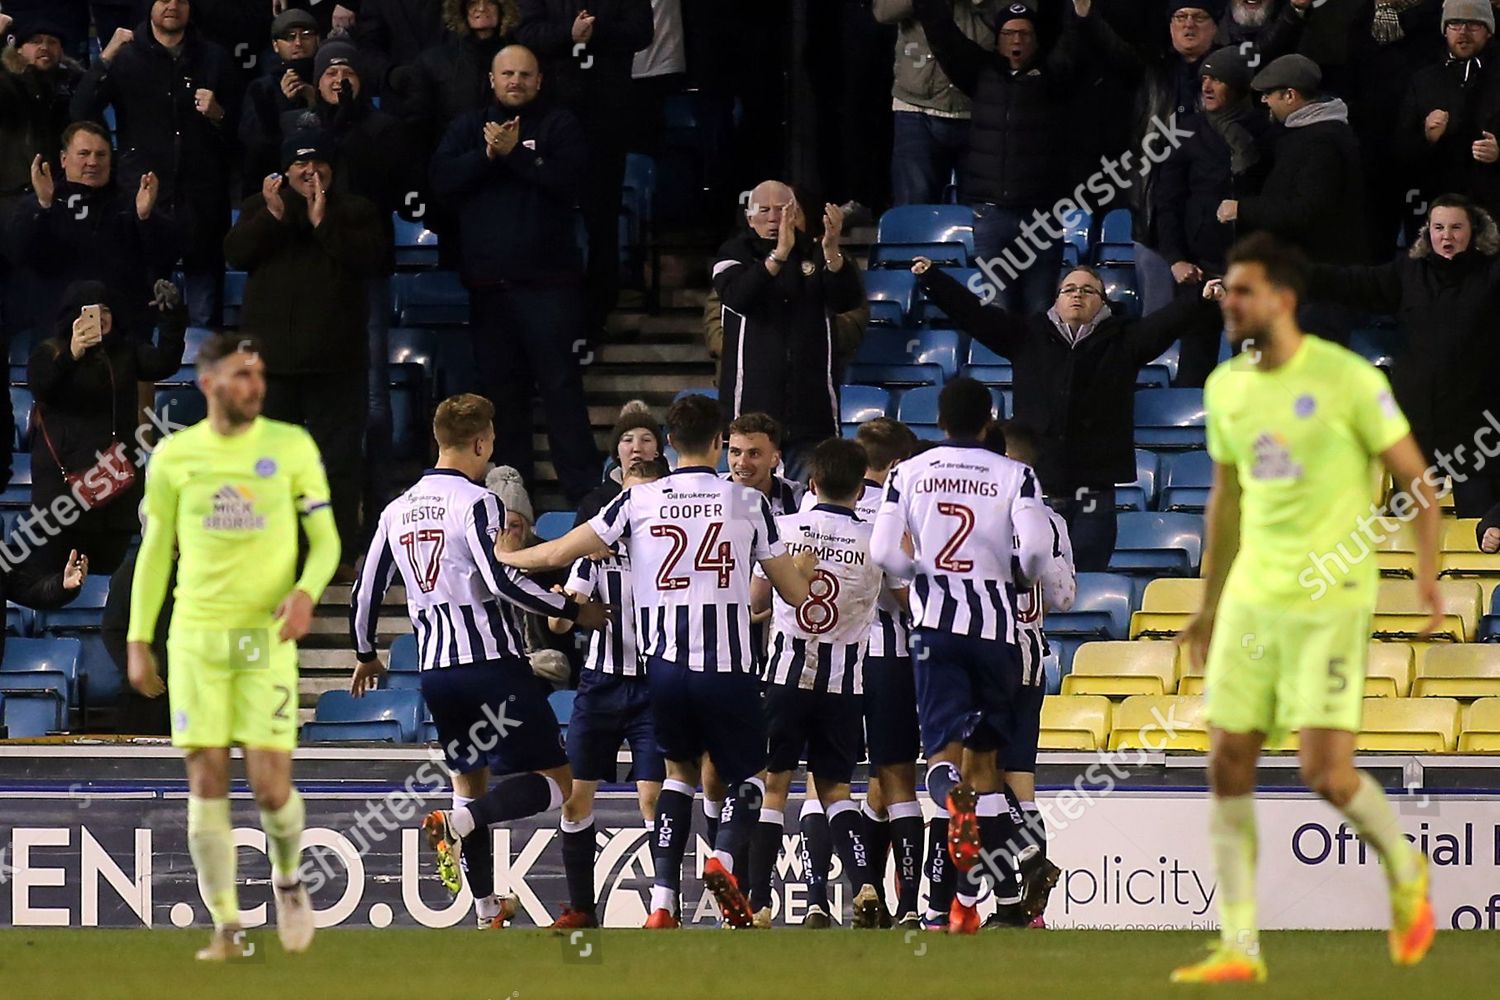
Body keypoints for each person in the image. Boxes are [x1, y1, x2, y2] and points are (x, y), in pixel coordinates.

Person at [1173, 232, 1438, 982]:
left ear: (1283, 299)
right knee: (1227, 759)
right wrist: (1208, 602)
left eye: (1244, 289)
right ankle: (1239, 946)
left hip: (1331, 597)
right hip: (1256, 594)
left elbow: (1418, 480)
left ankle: (1405, 867)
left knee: (1326, 773)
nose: (1229, 300)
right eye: (1227, 287)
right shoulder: (1228, 386)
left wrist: (1426, 574)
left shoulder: (1349, 378)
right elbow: (1226, 498)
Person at [494, 393, 817, 929]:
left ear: (669, 442)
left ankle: (664, 905)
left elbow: (557, 554)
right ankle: (722, 861)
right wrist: (803, 568)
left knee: (677, 776)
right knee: (749, 777)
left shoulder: (636, 500)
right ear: (717, 444)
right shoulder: (748, 502)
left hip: (662, 667)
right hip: (728, 664)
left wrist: (505, 556)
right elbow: (790, 593)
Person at [348, 393, 607, 930]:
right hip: (489, 664)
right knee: (558, 782)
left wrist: (366, 653)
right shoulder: (477, 501)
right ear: (482, 442)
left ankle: (488, 908)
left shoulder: (397, 509)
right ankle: (457, 823)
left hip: (437, 675)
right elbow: (500, 580)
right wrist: (570, 610)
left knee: (470, 779)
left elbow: (366, 588)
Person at [126, 332, 340, 961]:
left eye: (260, 374)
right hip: (195, 638)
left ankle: (288, 878)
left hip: (264, 639)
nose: (256, 385)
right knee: (206, 779)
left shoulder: (291, 444)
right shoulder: (174, 457)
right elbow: (154, 556)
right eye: (243, 375)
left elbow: (325, 539)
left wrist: (305, 592)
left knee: (271, 786)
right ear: (209, 382)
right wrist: (140, 638)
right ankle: (227, 927)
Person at [870, 376, 1053, 935]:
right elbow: (1038, 552)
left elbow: (882, 552)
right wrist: (1015, 578)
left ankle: (954, 812)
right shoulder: (1016, 474)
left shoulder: (907, 472)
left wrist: (921, 576)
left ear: (940, 420)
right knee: (988, 766)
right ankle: (971, 903)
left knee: (943, 760)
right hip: (995, 632)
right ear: (989, 419)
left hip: (935, 630)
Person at [910, 256, 1223, 571]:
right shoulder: (1025, 335)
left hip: (1094, 486)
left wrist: (1200, 297)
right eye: (1069, 289)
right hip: (1036, 481)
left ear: (1103, 302)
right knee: (1030, 573)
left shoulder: (1125, 339)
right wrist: (933, 279)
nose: (1078, 295)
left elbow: (1165, 324)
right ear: (1056, 299)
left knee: (1086, 568)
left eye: (1088, 290)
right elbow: (974, 314)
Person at [429, 44, 601, 504]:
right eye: (507, 73)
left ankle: (586, 501)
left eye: (525, 74)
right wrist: (488, 155)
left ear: (539, 80)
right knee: (502, 402)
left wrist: (517, 156)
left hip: (550, 288)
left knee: (562, 392)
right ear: (491, 78)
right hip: (489, 289)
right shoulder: (467, 127)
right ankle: (510, 504)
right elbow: (441, 180)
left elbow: (573, 181)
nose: (515, 81)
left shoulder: (559, 125)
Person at [223, 129, 385, 574]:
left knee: (338, 465)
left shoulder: (355, 211)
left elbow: (375, 260)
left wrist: (323, 224)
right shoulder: (261, 208)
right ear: (285, 170)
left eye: (318, 164)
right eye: (300, 164)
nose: (309, 172)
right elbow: (235, 254)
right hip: (271, 369)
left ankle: (335, 554)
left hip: (338, 365)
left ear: (332, 169)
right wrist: (272, 217)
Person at [746, 437, 888, 931]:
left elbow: (756, 600)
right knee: (834, 789)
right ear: (859, 487)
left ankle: (758, 902)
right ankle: (865, 882)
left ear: (812, 483)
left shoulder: (784, 530)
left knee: (774, 787)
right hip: (845, 680)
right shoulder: (876, 541)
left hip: (786, 673)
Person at [1301, 194, 1500, 517]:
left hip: (1477, 438)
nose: (1446, 236)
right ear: (1428, 231)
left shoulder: (1492, 276)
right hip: (1418, 432)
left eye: (1455, 228)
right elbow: (1349, 282)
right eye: (1438, 227)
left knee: (1482, 539)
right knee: (1411, 538)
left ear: (1474, 232)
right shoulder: (1409, 273)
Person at [544, 454, 670, 930]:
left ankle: (663, 906)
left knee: (652, 799)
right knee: (576, 797)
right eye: (625, 495)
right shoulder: (595, 554)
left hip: (654, 684)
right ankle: (581, 908)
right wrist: (568, 606)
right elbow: (559, 620)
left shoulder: (669, 552)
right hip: (600, 684)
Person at [912, 0, 1089, 316]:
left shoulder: (1053, 76)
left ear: (1036, 39)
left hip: (1042, 216)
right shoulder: (979, 72)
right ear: (997, 39)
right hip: (991, 215)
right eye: (1009, 33)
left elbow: (1076, 47)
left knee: (1041, 312)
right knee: (997, 314)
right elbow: (944, 37)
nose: (1017, 41)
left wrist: (1080, 14)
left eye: (1024, 34)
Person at [70, 0, 240, 328]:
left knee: (205, 319)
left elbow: (239, 135)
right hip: (142, 205)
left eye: (180, 0)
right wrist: (106, 56)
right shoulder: (125, 55)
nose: (172, 5)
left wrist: (218, 113)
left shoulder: (214, 57)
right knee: (140, 319)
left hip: (202, 206)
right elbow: (80, 111)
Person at [515, 0, 653, 345]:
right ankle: (553, 309)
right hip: (551, 112)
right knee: (547, 215)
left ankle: (597, 313)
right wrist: (569, 34)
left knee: (602, 219)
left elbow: (641, 32)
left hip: (608, 114)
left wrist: (593, 33)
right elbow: (524, 31)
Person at [28, 279, 186, 576]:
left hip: (116, 489)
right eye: (90, 313)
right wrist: (71, 355)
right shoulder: (49, 353)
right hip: (63, 494)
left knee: (110, 573)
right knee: (58, 578)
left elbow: (165, 363)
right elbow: (42, 386)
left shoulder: (127, 352)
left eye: (105, 311)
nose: (99, 320)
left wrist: (172, 316)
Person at [713, 181, 862, 482]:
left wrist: (832, 249)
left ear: (796, 214)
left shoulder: (817, 251)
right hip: (751, 415)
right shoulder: (734, 253)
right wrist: (779, 254)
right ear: (749, 216)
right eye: (764, 210)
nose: (773, 218)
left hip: (812, 411)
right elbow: (739, 297)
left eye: (782, 210)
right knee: (749, 509)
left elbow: (846, 300)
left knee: (810, 506)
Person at [1218, 53, 1369, 344]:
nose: (1264, 102)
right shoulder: (1304, 135)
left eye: (1268, 94)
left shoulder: (1322, 142)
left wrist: (1243, 209)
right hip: (1304, 280)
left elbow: (1306, 210)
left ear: (1290, 95)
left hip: (1321, 285)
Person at [987, 418, 1071, 927]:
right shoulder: (1053, 521)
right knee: (1020, 782)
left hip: (991, 653)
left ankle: (1022, 878)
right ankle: (1028, 910)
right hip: (1033, 657)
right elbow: (1064, 596)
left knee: (985, 779)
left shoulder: (982, 512)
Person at [1153, 46, 1271, 387]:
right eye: (1204, 79)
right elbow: (1168, 202)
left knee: (1249, 370)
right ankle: (1191, 438)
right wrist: (1175, 258)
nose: (1207, 86)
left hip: (1251, 270)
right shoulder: (1187, 131)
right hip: (1199, 270)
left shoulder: (1265, 131)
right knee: (1194, 364)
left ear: (1236, 86)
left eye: (1217, 80)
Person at [5, 121, 174, 347]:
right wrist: (43, 206)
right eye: (84, 154)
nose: (93, 162)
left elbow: (164, 256)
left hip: (124, 336)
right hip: (56, 334)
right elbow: (16, 252)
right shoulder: (39, 202)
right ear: (64, 159)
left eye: (101, 154)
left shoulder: (132, 203)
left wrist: (145, 218)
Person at [873, 0, 998, 207]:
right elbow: (883, 11)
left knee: (983, 219)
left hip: (983, 107)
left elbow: (1022, 15)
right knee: (914, 215)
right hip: (916, 107)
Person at [1395, 1, 1500, 221]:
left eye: (1473, 24)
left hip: (1492, 206)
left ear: (1489, 31)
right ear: (1444, 30)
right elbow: (1400, 149)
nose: (1463, 32)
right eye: (1455, 23)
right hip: (1437, 206)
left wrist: (1499, 153)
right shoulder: (1423, 79)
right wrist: (1426, 137)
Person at [0, 12, 83, 219]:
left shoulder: (74, 86)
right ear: (18, 49)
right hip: (14, 194)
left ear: (61, 50)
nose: (44, 47)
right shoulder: (7, 84)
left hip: (64, 193)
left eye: (52, 42)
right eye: (35, 42)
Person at [239, 7, 322, 193]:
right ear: (276, 45)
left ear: (318, 40)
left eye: (306, 35)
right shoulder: (260, 89)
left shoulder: (330, 81)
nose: (298, 42)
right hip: (275, 185)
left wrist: (316, 101)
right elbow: (254, 148)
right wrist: (285, 105)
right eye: (290, 36)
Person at [573, 400, 661, 526]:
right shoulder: (595, 502)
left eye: (646, 440)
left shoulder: (674, 495)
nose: (636, 448)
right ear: (617, 452)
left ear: (657, 450)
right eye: (628, 440)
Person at [726, 412, 805, 516]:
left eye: (754, 454)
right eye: (736, 452)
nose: (742, 463)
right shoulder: (709, 494)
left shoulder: (798, 498)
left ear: (775, 459)